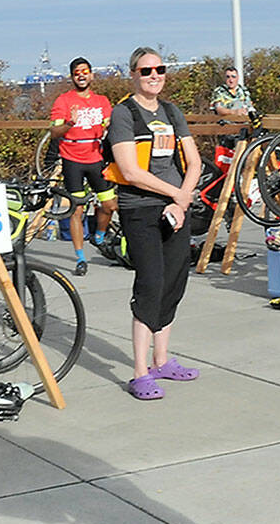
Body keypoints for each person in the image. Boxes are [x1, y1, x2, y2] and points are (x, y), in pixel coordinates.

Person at [107, 47, 202, 400]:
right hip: (141, 209)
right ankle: (140, 371)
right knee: (150, 282)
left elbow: (193, 161)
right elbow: (130, 171)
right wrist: (176, 195)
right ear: (133, 74)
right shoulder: (124, 114)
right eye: (146, 70)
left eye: (159, 69)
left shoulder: (171, 111)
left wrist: (181, 199)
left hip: (175, 207)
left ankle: (162, 360)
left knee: (174, 280)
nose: (154, 76)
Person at [49, 57, 115, 277]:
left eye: (85, 71)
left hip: (96, 157)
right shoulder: (63, 101)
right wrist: (70, 123)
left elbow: (110, 123)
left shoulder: (102, 100)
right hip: (72, 158)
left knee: (110, 205)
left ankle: (99, 236)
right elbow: (54, 133)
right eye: (77, 72)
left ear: (92, 74)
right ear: (72, 76)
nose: (81, 75)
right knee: (76, 209)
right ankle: (80, 257)